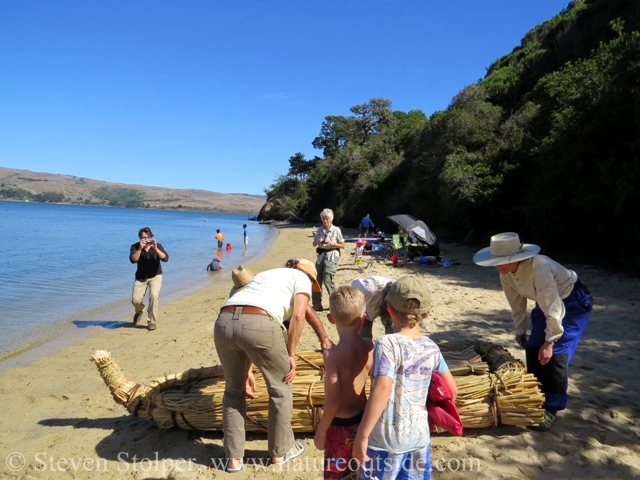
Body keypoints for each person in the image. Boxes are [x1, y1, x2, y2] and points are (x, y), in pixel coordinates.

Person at [213, 259, 330, 472]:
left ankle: (233, 460)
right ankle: (280, 452)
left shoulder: (265, 275)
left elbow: (243, 316)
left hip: (223, 321)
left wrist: (247, 369)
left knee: (232, 393)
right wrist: (291, 354)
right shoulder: (302, 278)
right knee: (280, 389)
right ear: (311, 277)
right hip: (260, 323)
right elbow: (299, 315)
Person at [473, 232, 592, 431]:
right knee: (533, 348)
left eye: (501, 261)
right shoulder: (505, 273)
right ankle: (538, 396)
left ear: (515, 258)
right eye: (495, 261)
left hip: (572, 303)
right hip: (545, 303)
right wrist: (520, 330)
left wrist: (550, 341)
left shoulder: (540, 268)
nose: (497, 265)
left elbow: (553, 306)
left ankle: (552, 407)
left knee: (555, 354)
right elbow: (516, 303)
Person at [352, 276, 457, 480]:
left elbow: (382, 389)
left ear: (388, 308)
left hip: (385, 442)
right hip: (419, 439)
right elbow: (452, 390)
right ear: (427, 313)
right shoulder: (432, 347)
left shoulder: (386, 343)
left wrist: (362, 435)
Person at [314, 286, 373, 479]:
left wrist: (321, 431)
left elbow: (333, 399)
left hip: (340, 426)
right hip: (364, 419)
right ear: (363, 319)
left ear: (331, 319)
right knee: (360, 469)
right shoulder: (368, 346)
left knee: (338, 472)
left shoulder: (332, 355)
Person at [129, 227, 169, 331]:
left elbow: (165, 258)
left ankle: (152, 322)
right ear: (140, 238)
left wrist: (155, 248)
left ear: (151, 237)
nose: (146, 239)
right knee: (135, 300)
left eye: (148, 237)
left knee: (154, 296)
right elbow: (133, 260)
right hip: (141, 277)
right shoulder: (135, 246)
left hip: (155, 276)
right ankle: (139, 310)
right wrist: (140, 249)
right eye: (143, 238)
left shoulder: (157, 246)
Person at [312, 208, 345, 311]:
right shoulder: (319, 230)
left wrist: (333, 243)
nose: (325, 221)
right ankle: (317, 304)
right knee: (316, 280)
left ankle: (336, 303)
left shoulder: (336, 230)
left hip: (332, 255)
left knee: (327, 279)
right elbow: (313, 244)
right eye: (323, 219)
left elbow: (343, 245)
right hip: (321, 256)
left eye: (327, 219)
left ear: (331, 219)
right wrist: (317, 241)